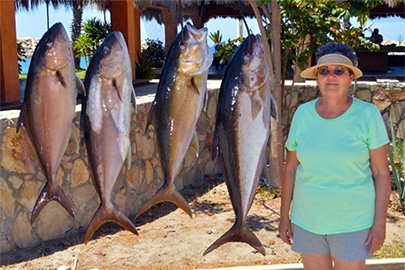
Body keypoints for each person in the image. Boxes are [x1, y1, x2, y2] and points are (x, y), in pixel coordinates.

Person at [278, 42, 391, 270]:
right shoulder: (302, 115)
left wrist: (380, 223)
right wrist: (283, 217)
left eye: (339, 70)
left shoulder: (367, 115)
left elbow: (380, 173)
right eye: (324, 70)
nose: (331, 76)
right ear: (317, 78)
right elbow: (290, 169)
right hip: (307, 221)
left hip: (353, 223)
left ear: (350, 77)